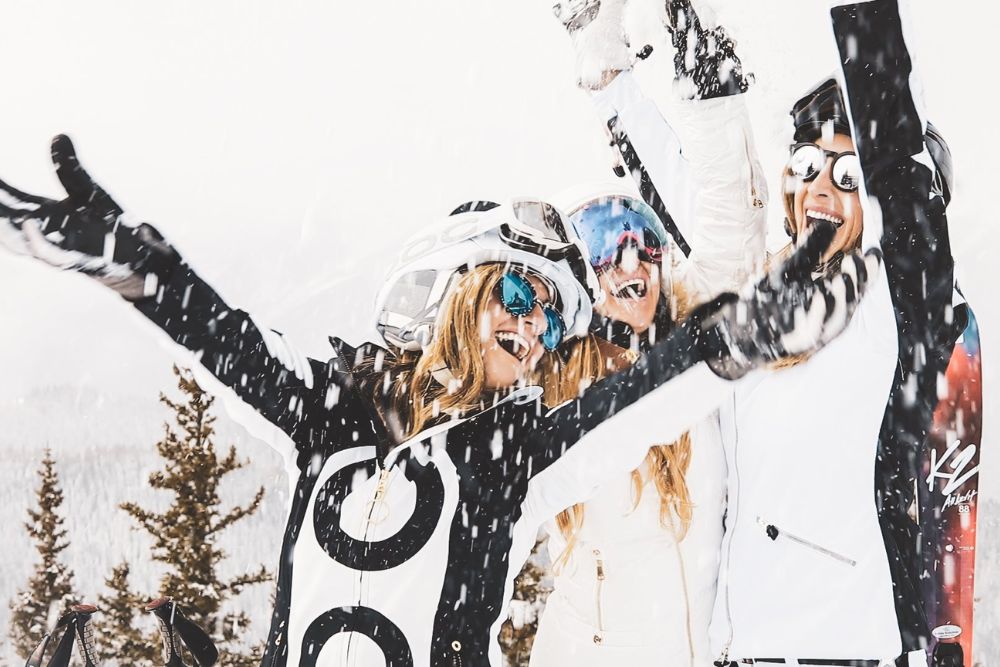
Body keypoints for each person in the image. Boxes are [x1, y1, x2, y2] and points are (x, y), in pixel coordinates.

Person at [0, 137, 872, 666]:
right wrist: (138, 267)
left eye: (551, 323)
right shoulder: (331, 415)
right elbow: (225, 341)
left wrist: (739, 335)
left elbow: (640, 402)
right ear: (459, 288)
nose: (532, 332)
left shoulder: (509, 464)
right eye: (519, 297)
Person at [706, 1, 960, 664]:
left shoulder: (891, 310)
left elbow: (902, 187)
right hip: (740, 648)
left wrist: (869, 37)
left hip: (843, 644)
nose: (820, 184)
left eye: (847, 174)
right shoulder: (758, 302)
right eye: (808, 164)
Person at [530, 1, 765, 663]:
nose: (630, 259)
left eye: (643, 240)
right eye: (605, 243)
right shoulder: (550, 375)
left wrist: (711, 97)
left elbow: (730, 233)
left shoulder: (693, 334)